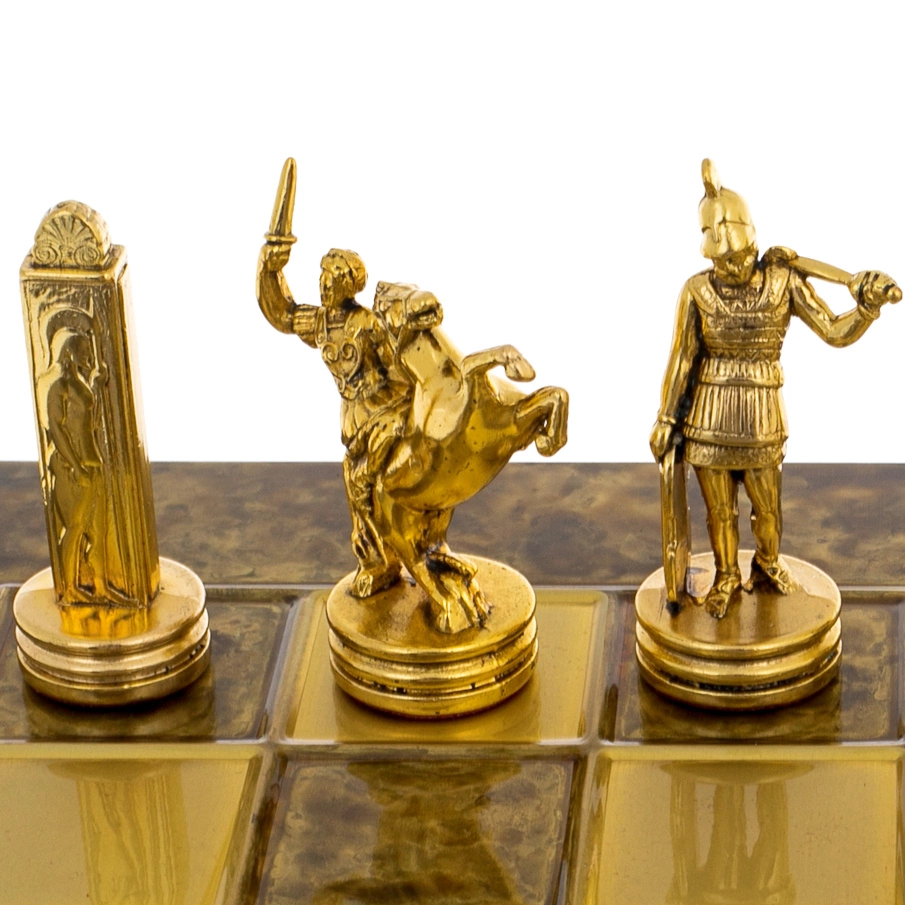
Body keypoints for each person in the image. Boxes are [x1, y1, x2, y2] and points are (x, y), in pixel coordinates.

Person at [651, 160, 899, 617]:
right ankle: (726, 575)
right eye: (723, 260)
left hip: (762, 413)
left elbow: (833, 331)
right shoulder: (696, 291)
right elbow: (682, 358)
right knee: (719, 513)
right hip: (709, 413)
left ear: (754, 243)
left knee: (767, 510)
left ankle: (767, 562)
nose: (733, 265)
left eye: (740, 256)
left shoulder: (784, 282)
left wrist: (866, 309)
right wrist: (667, 418)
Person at [257, 243, 412, 597]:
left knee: (364, 480)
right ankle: (378, 559)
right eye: (322, 278)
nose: (323, 286)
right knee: (355, 482)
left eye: (331, 280)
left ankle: (394, 553)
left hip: (383, 409)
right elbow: (282, 313)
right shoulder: (321, 322)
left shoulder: (367, 324)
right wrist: (270, 267)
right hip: (353, 418)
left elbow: (399, 373)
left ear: (347, 286)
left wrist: (394, 412)